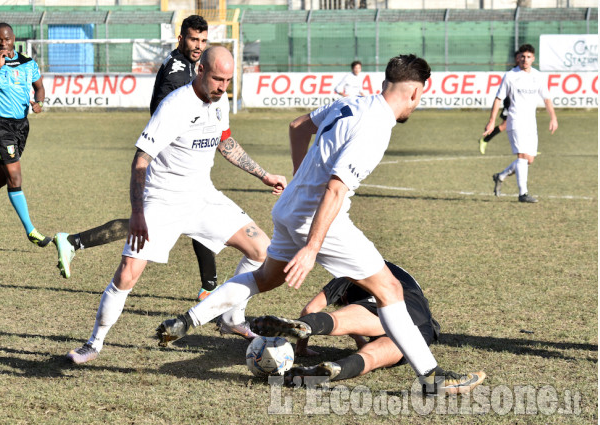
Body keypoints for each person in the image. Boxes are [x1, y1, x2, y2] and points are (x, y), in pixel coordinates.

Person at [156, 54, 485, 395]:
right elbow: (335, 189)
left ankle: (188, 320)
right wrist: (312, 248)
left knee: (263, 278)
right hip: (320, 219)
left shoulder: (353, 103)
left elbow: (298, 127)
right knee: (390, 290)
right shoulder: (375, 128)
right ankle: (432, 377)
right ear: (415, 93)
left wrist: (300, 182)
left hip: (288, 209)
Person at [66, 46, 287, 365]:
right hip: (162, 200)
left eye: (227, 80)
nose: (222, 87)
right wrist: (139, 214)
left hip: (203, 196)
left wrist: (263, 175)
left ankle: (231, 318)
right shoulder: (175, 105)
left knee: (261, 251)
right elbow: (141, 160)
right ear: (200, 71)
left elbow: (225, 141)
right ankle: (93, 343)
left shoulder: (220, 99)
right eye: (216, 79)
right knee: (128, 273)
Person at [53, 16, 218, 301]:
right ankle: (210, 290)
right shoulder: (178, 73)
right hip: (168, 160)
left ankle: (73, 241)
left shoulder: (187, 65)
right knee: (170, 220)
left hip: (177, 157)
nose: (198, 46)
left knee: (183, 217)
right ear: (181, 39)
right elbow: (168, 112)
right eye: (193, 39)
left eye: (203, 41)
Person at [252, 261, 440, 385]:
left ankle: (308, 329)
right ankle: (338, 369)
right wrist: (360, 342)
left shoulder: (355, 268)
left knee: (337, 319)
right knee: (370, 357)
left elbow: (310, 309)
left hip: (395, 302)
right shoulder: (389, 269)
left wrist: (300, 348)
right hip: (424, 327)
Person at [0, 23, 50, 247]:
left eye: (6, 39)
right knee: (15, 178)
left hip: (21, 127)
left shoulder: (28, 63)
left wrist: (39, 103)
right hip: (0, 126)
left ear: (14, 38)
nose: (3, 43)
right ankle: (31, 231)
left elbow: (39, 88)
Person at [484, 44, 558, 203]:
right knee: (522, 156)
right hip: (515, 120)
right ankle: (523, 194)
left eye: (529, 57)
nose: (525, 60)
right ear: (518, 58)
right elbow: (498, 99)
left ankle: (501, 176)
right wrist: (491, 122)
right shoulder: (510, 76)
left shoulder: (538, 76)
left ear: (533, 59)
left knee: (528, 160)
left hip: (531, 122)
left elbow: (546, 98)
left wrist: (553, 117)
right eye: (522, 57)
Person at [478, 51, 520, 155]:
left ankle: (527, 148)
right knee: (504, 125)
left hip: (520, 103)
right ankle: (485, 140)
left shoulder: (528, 73)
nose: (523, 59)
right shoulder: (512, 73)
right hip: (510, 102)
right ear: (516, 59)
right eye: (521, 57)